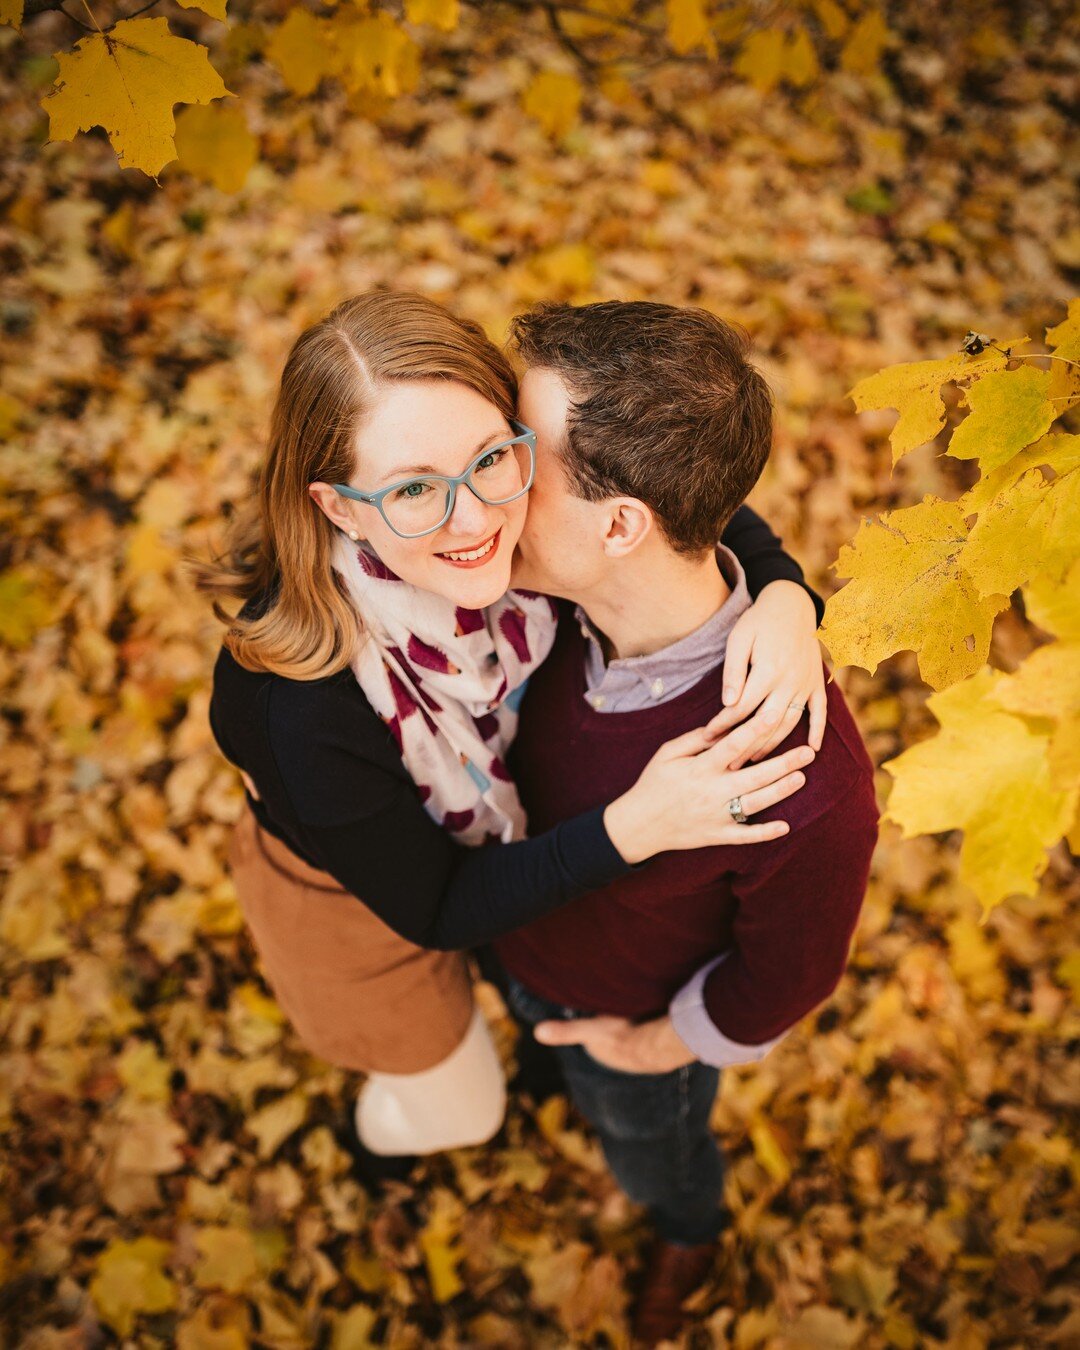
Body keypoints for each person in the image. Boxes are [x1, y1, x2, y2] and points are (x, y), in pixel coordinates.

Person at [192, 291, 827, 1188]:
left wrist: (784, 594)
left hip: (503, 838)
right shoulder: (295, 707)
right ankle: (379, 1142)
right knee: (460, 1107)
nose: (475, 521)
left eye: (492, 457)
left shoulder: (527, 529)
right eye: (412, 488)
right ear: (339, 508)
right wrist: (635, 826)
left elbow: (670, 495)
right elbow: (437, 907)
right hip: (352, 893)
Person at [471, 300, 879, 1344]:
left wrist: (653, 1048)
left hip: (627, 1024)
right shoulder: (545, 603)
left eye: (519, 459)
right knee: (542, 1060)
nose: (490, 487)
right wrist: (790, 588)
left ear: (621, 524)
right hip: (511, 938)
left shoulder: (798, 776)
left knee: (654, 1155)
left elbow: (788, 977)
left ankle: (689, 1229)